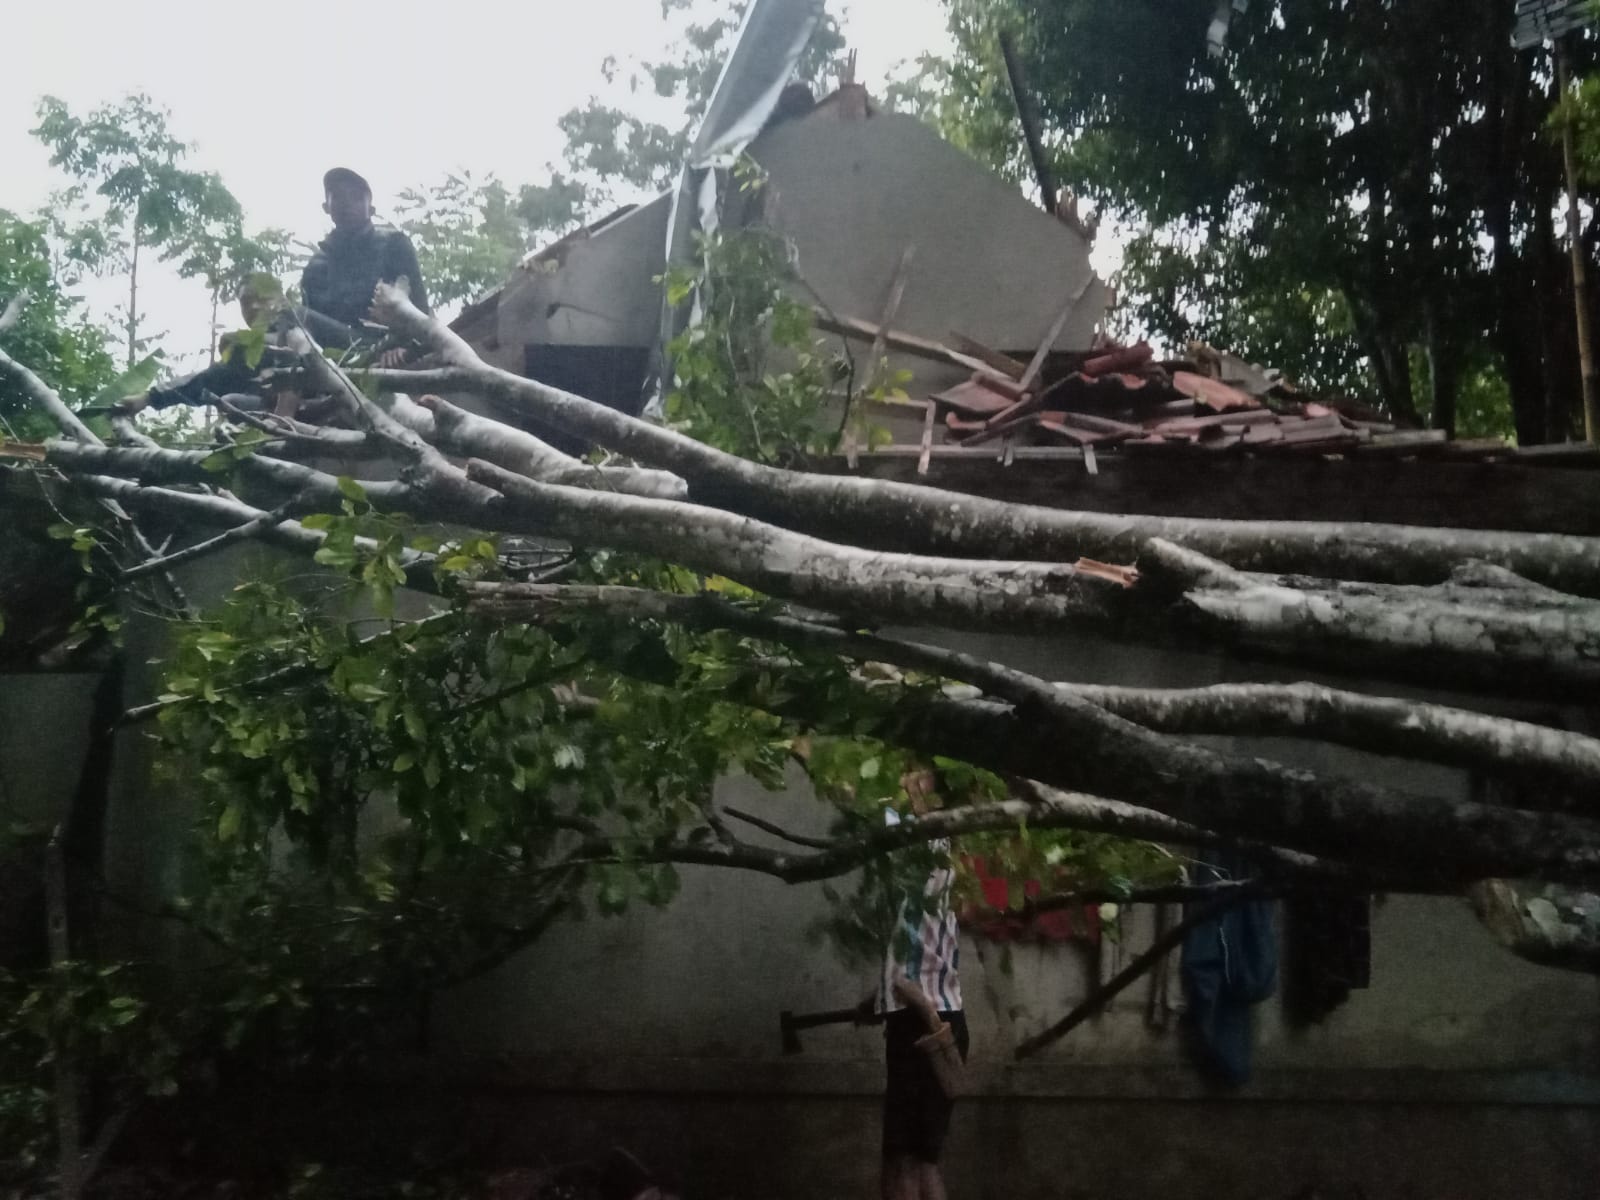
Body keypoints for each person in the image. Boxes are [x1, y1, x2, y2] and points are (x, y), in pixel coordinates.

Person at [866, 769, 968, 1200]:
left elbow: (898, 818)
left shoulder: (929, 851)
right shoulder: (928, 860)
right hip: (931, 1017)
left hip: (925, 1022)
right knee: (914, 1159)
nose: (907, 782)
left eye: (918, 780)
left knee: (909, 1161)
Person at [300, 167, 431, 363]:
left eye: (356, 198)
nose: (347, 204)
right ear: (326, 207)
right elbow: (309, 329)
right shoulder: (315, 269)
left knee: (293, 314)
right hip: (335, 356)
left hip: (382, 344)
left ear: (371, 209)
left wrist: (404, 346)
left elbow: (420, 308)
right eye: (338, 197)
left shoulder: (394, 244)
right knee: (290, 315)